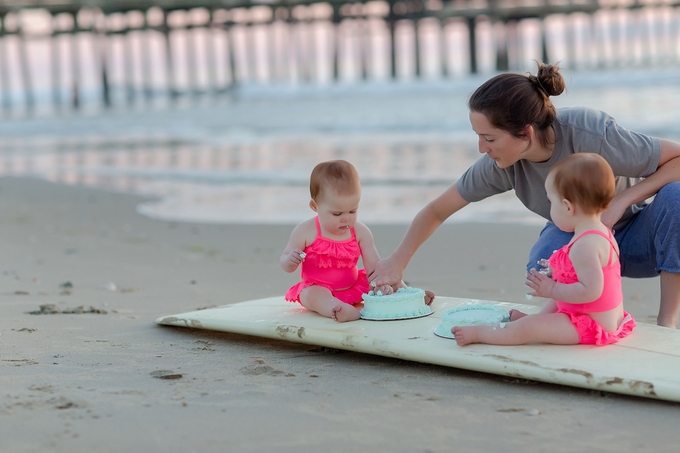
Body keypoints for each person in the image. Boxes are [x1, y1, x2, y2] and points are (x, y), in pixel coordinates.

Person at [368, 62, 680, 328]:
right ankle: (579, 318)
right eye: (479, 137)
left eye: (489, 138)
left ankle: (668, 323)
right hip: (579, 245)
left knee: (675, 196)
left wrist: (622, 201)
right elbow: (437, 210)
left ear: (526, 133)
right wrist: (397, 262)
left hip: (641, 241)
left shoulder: (590, 132)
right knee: (540, 264)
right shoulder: (500, 163)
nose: (481, 149)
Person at [452, 154, 636, 346]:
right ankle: (539, 319)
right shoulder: (599, 233)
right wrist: (558, 274)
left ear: (567, 207)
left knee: (529, 329)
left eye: (551, 202)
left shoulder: (586, 245)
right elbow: (583, 276)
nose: (550, 209)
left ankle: (477, 334)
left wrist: (553, 288)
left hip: (591, 325)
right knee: (553, 301)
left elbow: (591, 291)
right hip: (592, 315)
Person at [281, 160, 418, 322]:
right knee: (312, 295)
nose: (346, 218)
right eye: (337, 214)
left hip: (354, 287)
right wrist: (291, 260)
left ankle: (410, 298)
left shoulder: (361, 232)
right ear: (314, 206)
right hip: (318, 288)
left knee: (387, 274)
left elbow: (374, 266)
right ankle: (336, 309)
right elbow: (285, 264)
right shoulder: (305, 231)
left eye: (353, 211)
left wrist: (382, 283)